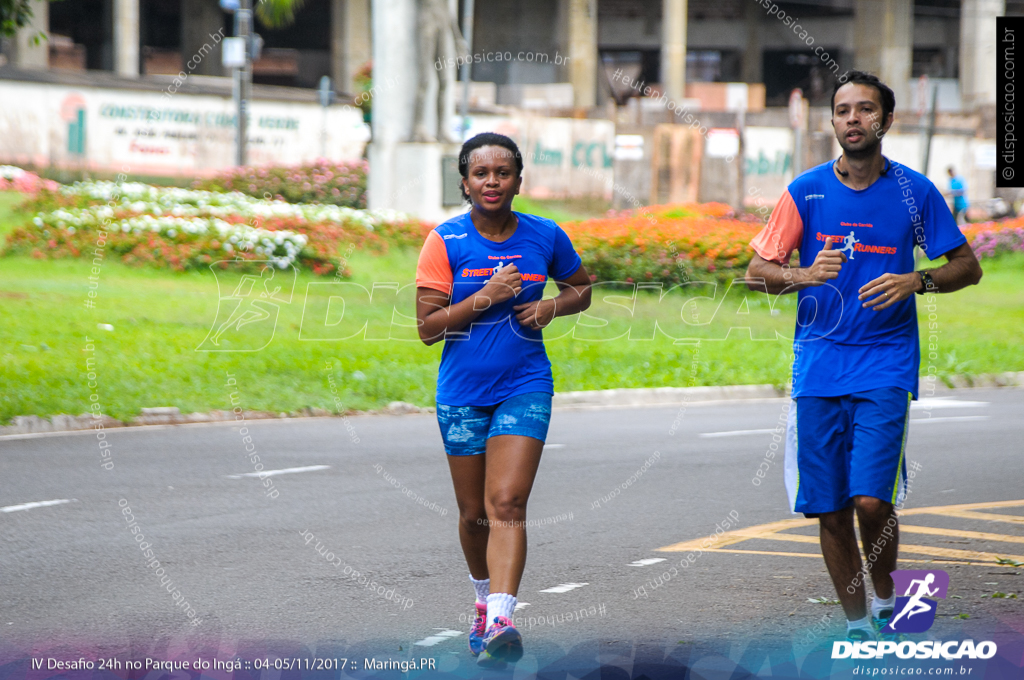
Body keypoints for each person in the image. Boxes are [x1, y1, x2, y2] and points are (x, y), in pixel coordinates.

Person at [744, 71, 983, 642]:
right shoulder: (806, 191)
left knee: (872, 503)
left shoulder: (914, 192)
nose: (853, 119)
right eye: (843, 110)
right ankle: (856, 626)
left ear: (886, 121)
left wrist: (916, 282)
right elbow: (756, 274)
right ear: (832, 122)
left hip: (886, 363)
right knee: (829, 510)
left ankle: (886, 601)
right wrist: (803, 274)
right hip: (819, 365)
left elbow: (966, 267)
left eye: (865, 109)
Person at [414, 132, 592, 666]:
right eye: (481, 173)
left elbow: (581, 287)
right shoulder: (445, 241)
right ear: (465, 183)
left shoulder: (545, 235)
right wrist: (487, 296)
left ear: (519, 179)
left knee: (508, 504)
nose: (492, 181)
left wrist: (550, 309)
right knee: (474, 515)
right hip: (463, 394)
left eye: (503, 172)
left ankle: (501, 618)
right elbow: (427, 329)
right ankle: (479, 598)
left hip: (525, 384)